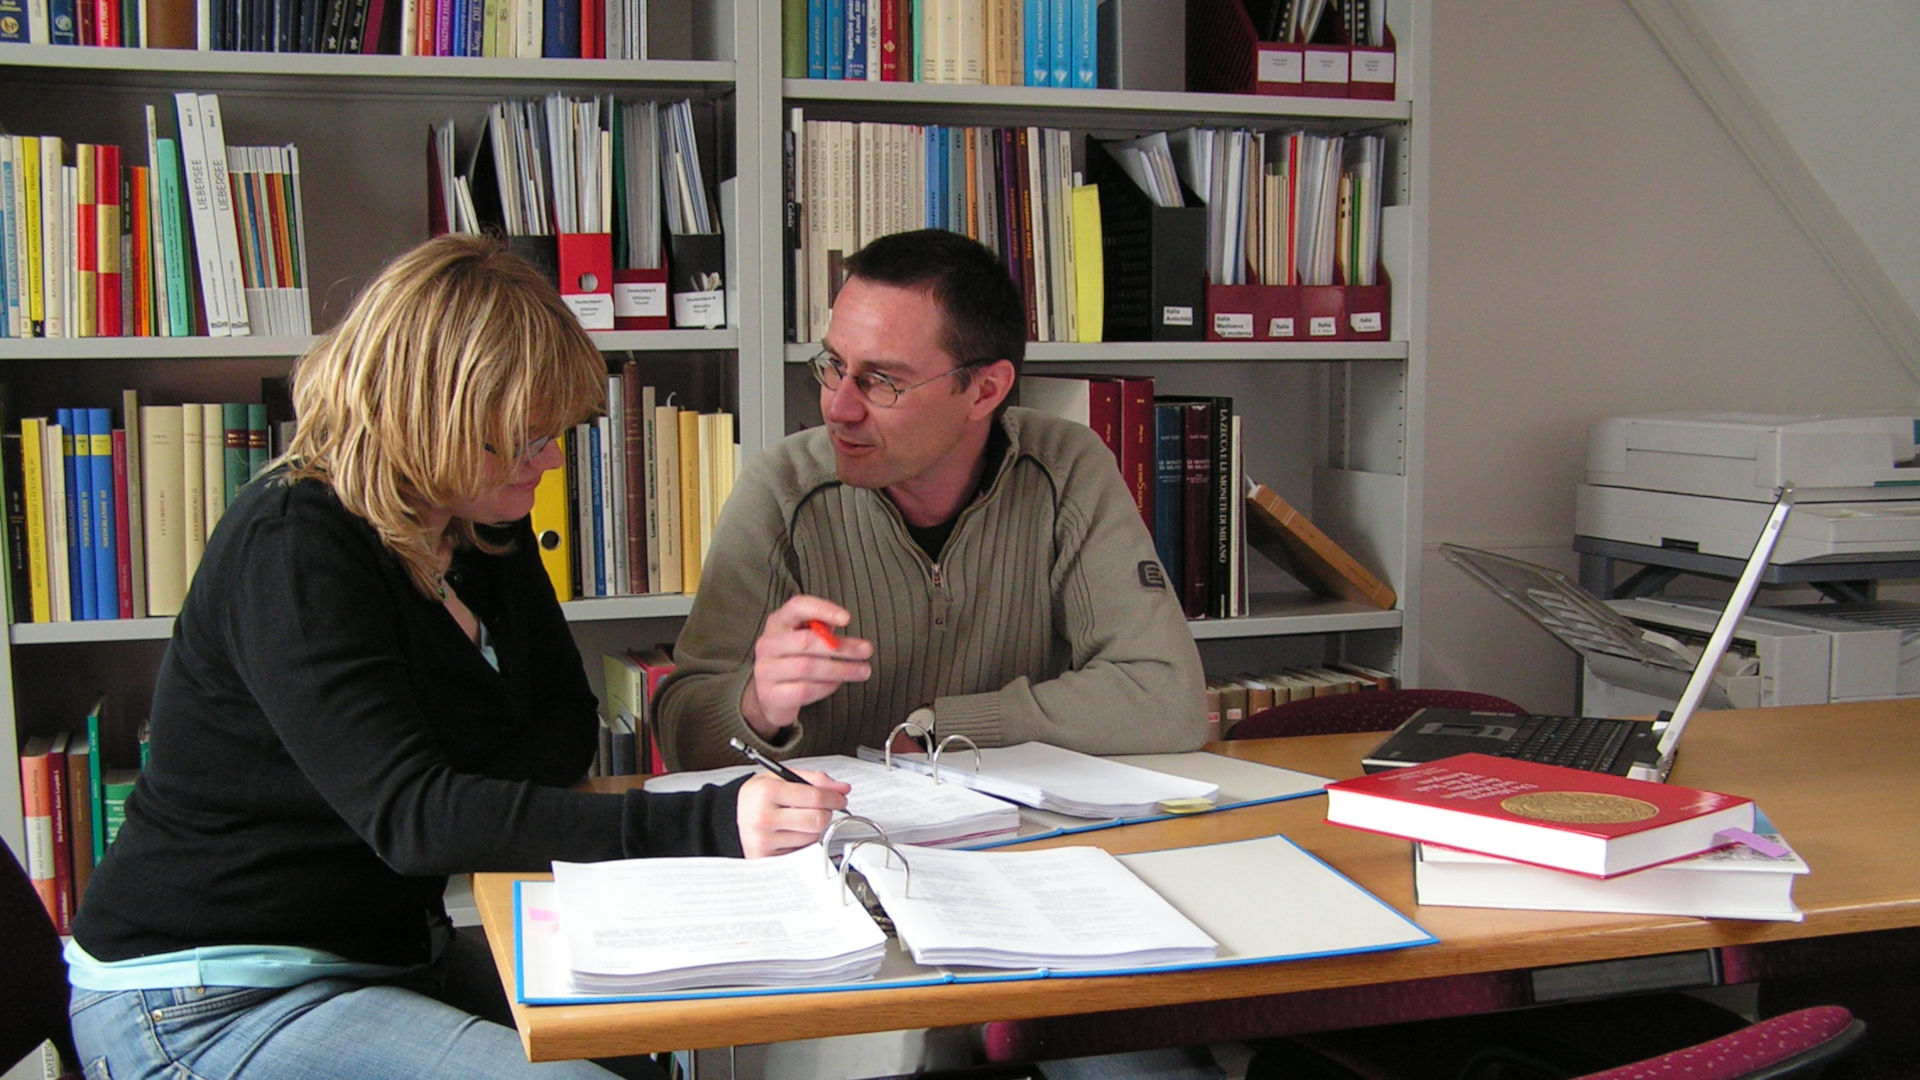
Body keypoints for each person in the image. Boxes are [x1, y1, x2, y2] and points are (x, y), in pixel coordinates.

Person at [64, 234, 849, 1080]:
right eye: (520, 440)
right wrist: (708, 821)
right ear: (426, 420)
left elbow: (562, 728)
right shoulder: (293, 544)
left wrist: (461, 800)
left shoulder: (478, 527)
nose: (549, 462)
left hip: (378, 957)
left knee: (647, 1063)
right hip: (203, 995)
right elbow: (413, 821)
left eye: (554, 434)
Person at [656, 228, 1207, 772]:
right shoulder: (783, 490)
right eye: (833, 366)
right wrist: (756, 704)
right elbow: (682, 740)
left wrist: (944, 727)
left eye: (881, 381)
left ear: (984, 391)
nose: (838, 407)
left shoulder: (1064, 469)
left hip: (1023, 837)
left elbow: (1166, 698)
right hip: (829, 843)